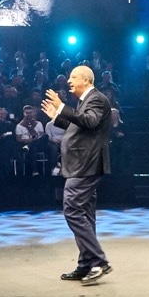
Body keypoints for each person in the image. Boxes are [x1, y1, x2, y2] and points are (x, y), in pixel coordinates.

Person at [44, 66, 115, 283]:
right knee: (85, 214)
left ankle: (99, 261)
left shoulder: (96, 99)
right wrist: (58, 116)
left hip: (86, 165)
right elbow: (80, 126)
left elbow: (90, 122)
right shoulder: (85, 101)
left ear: (86, 79)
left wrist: (62, 107)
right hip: (83, 164)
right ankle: (86, 264)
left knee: (72, 209)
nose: (69, 80)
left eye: (73, 77)